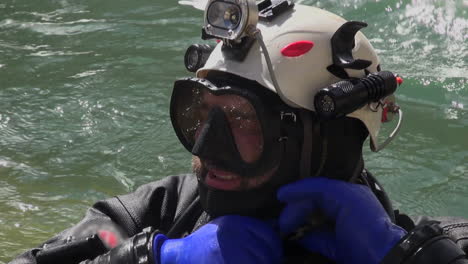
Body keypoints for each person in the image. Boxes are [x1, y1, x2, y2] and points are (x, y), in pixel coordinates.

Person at [9, 2, 468, 264]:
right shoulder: (154, 215)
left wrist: (408, 259)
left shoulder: (440, 247)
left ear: (327, 137)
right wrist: (151, 258)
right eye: (199, 113)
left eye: (243, 118)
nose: (207, 147)